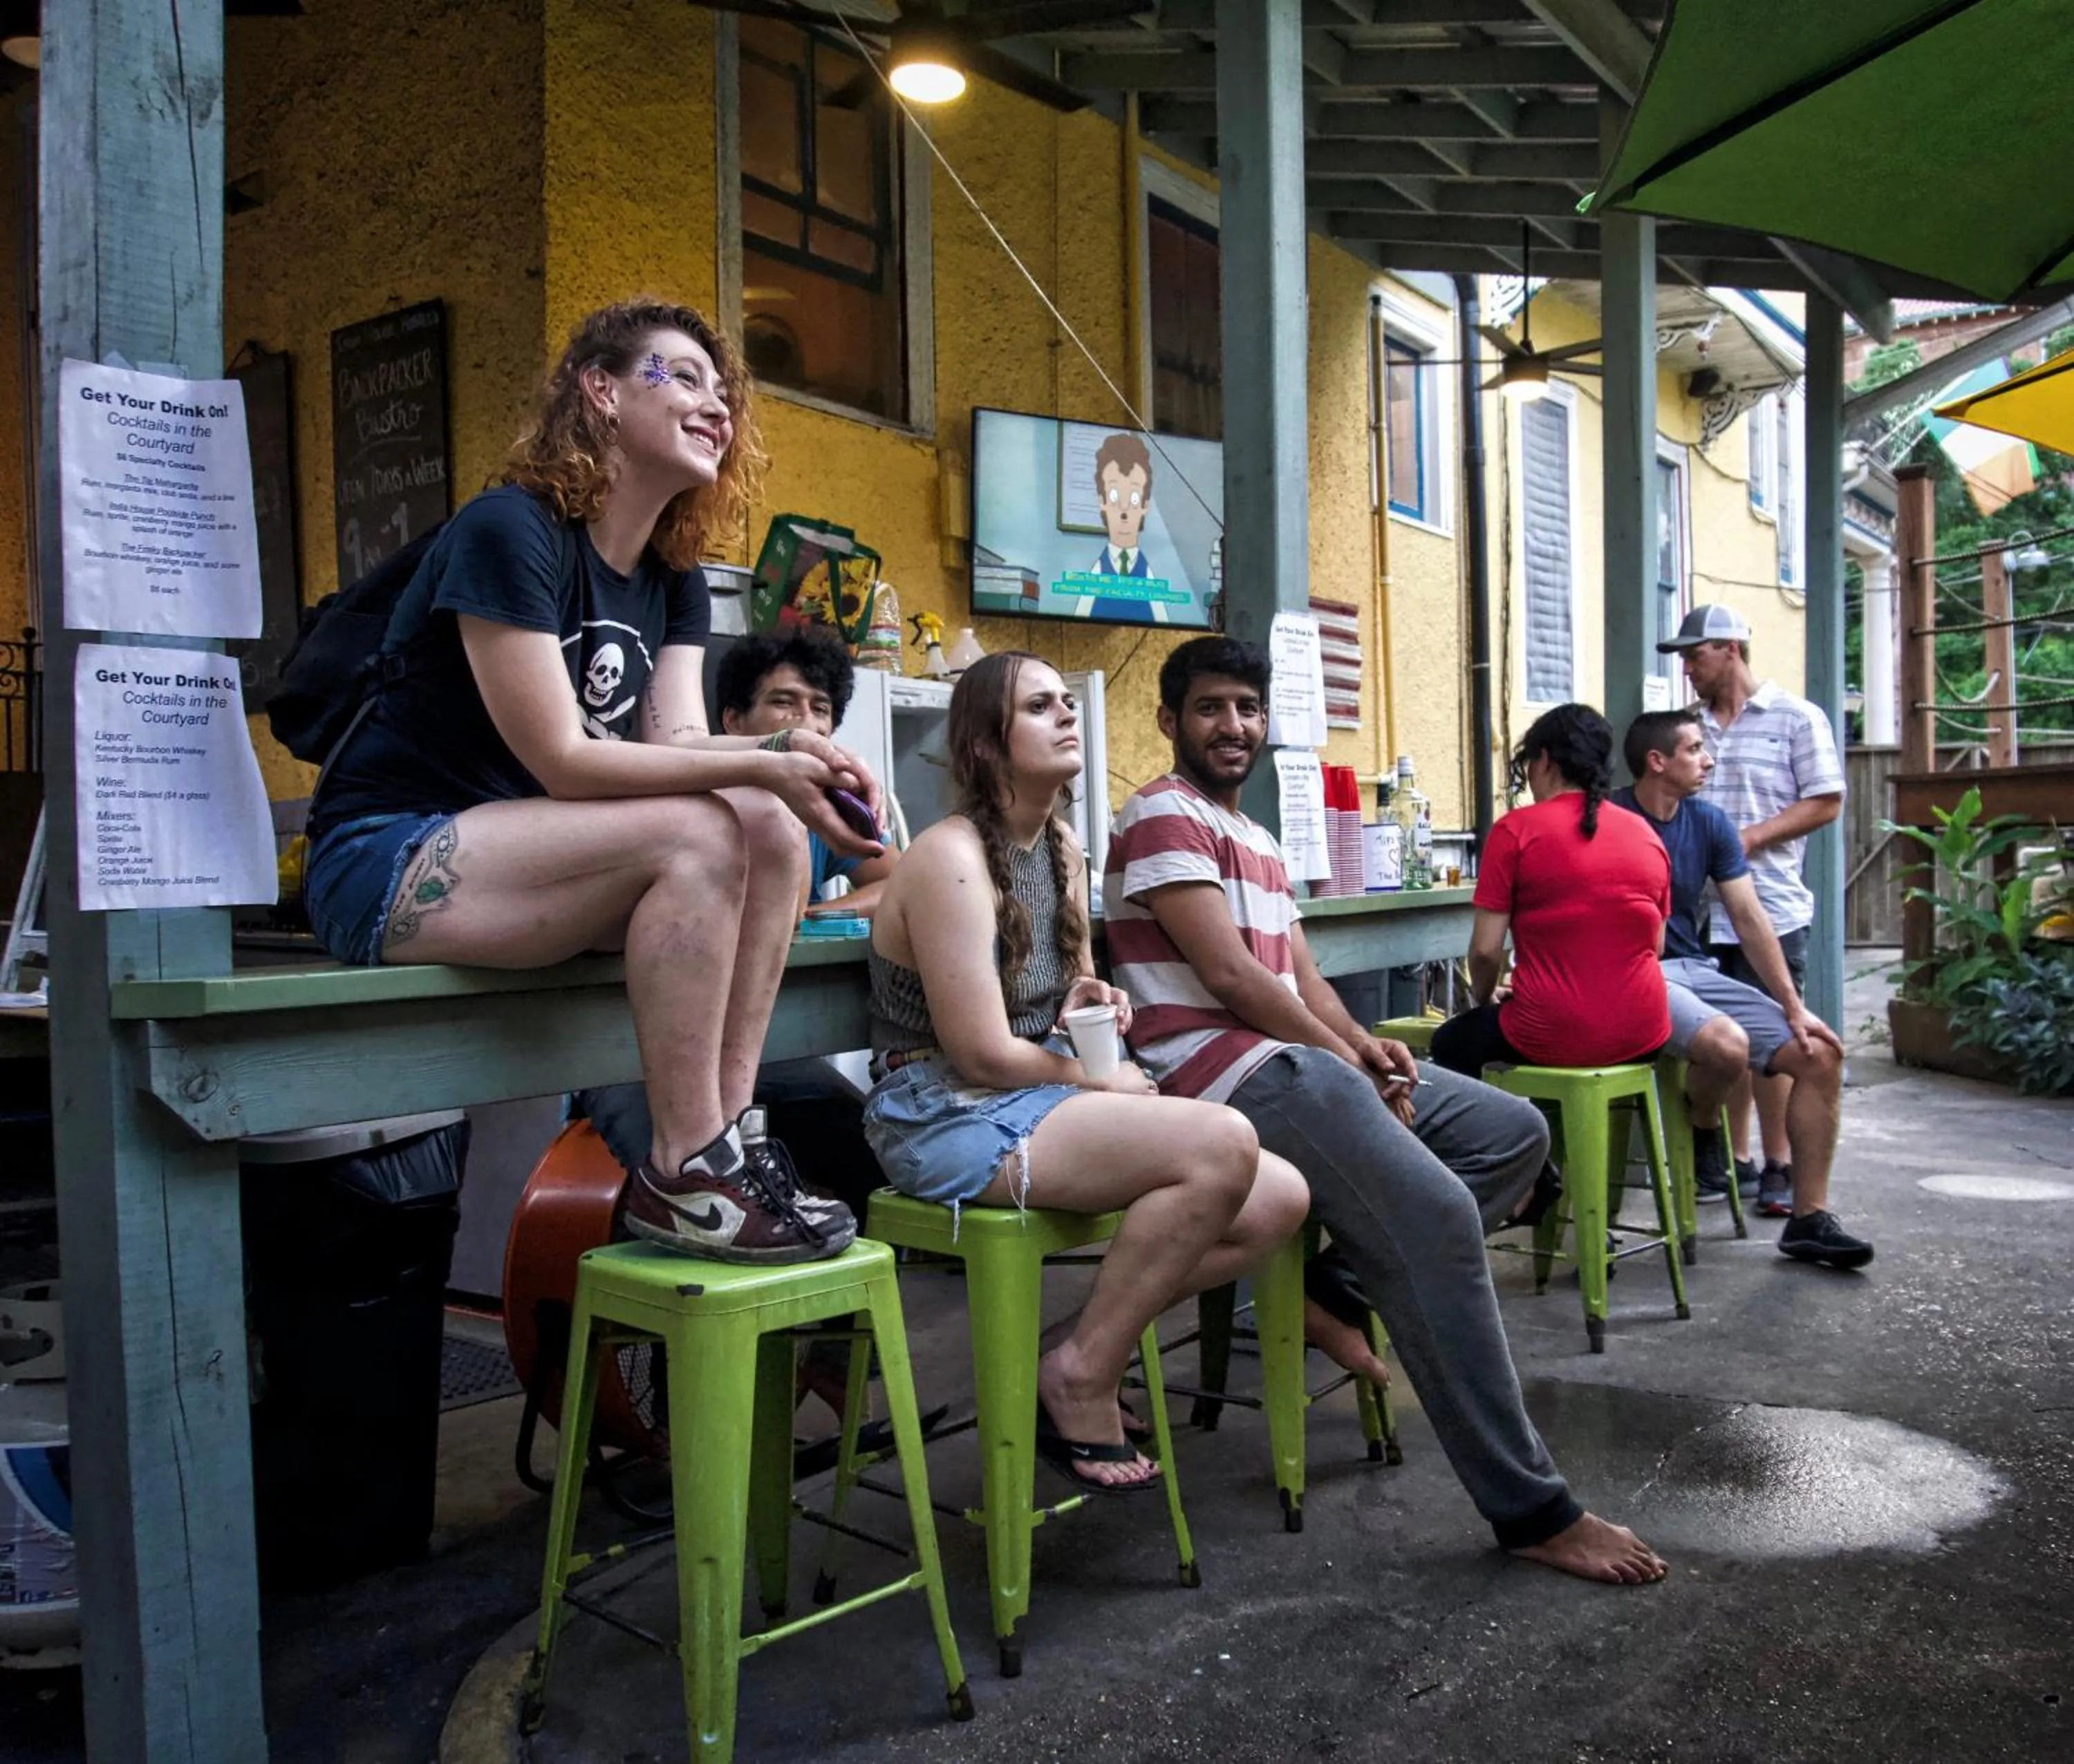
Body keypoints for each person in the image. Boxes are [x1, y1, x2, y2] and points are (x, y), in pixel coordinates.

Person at [302, 298, 885, 1265]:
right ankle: (683, 1165)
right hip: (392, 855)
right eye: (681, 377)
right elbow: (564, 761)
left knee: (768, 828)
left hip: (535, 862)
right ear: (603, 390)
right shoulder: (511, 529)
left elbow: (682, 743)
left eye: (722, 393)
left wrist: (793, 764)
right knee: (706, 830)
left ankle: (729, 1146)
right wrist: (768, 760)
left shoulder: (673, 578)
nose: (714, 408)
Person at [1105, 637, 1667, 1585]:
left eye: (1247, 707)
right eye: (1210, 708)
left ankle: (1338, 1293)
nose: (1232, 726)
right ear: (1170, 721)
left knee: (1510, 1134)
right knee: (1440, 1215)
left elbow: (1302, 976)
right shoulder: (1162, 813)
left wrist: (1366, 1050)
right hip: (1217, 1077)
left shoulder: (1260, 840)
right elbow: (1232, 976)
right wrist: (1343, 1063)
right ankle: (1530, 1507)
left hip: (1293, 1063)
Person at [863, 652, 1310, 1491]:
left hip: (1027, 1094)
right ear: (988, 743)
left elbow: (1048, 992)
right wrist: (1098, 1080)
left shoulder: (1062, 845)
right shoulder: (949, 857)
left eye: (1068, 700)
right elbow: (980, 1051)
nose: (1068, 714)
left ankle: (1069, 1350)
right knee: (1220, 1141)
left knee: (1279, 1195)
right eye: (1040, 706)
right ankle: (1080, 1374)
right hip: (940, 1108)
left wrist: (1085, 989)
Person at [1614, 711, 1874, 1268]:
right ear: (1658, 762)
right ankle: (1707, 1128)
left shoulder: (1709, 824)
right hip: (1630, 974)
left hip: (1693, 968)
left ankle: (1809, 1219)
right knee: (1727, 1046)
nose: (1709, 759)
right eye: (1695, 749)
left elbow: (1749, 916)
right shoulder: (1610, 817)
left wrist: (1794, 1008)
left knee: (1820, 1054)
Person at [1661, 604, 1845, 1214]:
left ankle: (1780, 1164)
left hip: (1770, 905)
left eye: (1696, 655)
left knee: (1778, 1046)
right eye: (1685, 658)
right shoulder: (1686, 729)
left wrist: (1752, 838)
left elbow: (1826, 801)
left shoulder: (1795, 717)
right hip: (1696, 917)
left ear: (1731, 649)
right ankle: (1735, 1161)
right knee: (1723, 1043)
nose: (1687, 667)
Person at [1430, 704, 1671, 1079]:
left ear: (1544, 760)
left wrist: (1486, 997)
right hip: (1646, 1031)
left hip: (1550, 1032)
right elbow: (1655, 947)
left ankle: (1504, 1136)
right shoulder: (1646, 834)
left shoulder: (1516, 830)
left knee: (1448, 1043)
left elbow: (1484, 950)